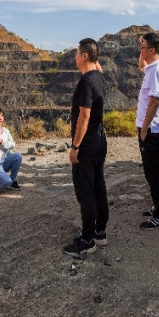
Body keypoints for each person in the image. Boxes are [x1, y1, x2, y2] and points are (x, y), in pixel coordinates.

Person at [63, 38, 109, 256]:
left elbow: (84, 116)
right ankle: (100, 232)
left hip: (87, 145)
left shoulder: (85, 82)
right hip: (100, 142)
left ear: (84, 56)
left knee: (86, 192)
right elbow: (98, 68)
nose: (74, 57)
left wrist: (75, 146)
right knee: (99, 186)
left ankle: (87, 239)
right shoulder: (99, 77)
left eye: (76, 53)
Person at [137, 32, 159, 230]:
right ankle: (158, 207)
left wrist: (144, 128)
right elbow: (141, 64)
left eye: (143, 48)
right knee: (152, 171)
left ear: (152, 50)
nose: (140, 51)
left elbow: (154, 101)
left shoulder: (157, 69)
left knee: (155, 172)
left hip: (152, 129)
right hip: (150, 127)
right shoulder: (153, 67)